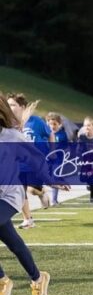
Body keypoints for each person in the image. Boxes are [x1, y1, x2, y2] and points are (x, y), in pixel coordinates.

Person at [0, 93, 70, 295]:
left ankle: (2, 280)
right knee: (13, 242)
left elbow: (37, 160)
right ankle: (38, 279)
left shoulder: (11, 137)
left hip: (9, 195)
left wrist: (51, 179)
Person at [6, 93, 53, 227]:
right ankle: (28, 219)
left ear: (22, 107)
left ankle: (42, 192)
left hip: (35, 163)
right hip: (18, 164)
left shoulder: (36, 122)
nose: (9, 107)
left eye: (13, 105)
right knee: (20, 190)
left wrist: (53, 152)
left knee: (32, 190)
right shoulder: (9, 123)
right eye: (8, 105)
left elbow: (51, 134)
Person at [45, 112, 70, 206]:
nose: (52, 126)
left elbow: (66, 147)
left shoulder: (62, 134)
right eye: (50, 124)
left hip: (58, 160)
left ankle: (54, 200)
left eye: (54, 124)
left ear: (59, 124)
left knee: (55, 177)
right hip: (47, 160)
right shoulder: (46, 134)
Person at [77, 116, 93, 203]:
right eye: (85, 125)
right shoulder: (82, 137)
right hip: (85, 161)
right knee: (82, 178)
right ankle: (89, 184)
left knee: (92, 178)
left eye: (89, 125)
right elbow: (78, 150)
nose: (87, 127)